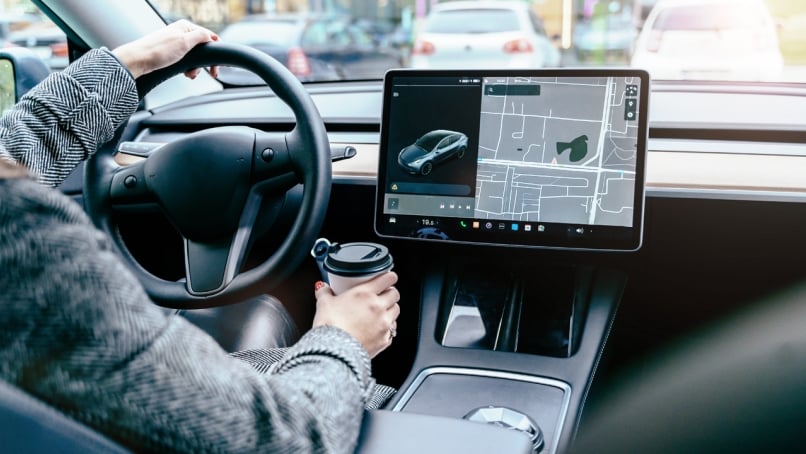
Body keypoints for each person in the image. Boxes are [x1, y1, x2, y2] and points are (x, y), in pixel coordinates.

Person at [0, 20, 400, 453]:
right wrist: (344, 337)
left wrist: (127, 64)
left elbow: (15, 150)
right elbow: (290, 440)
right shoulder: (28, 254)